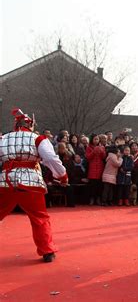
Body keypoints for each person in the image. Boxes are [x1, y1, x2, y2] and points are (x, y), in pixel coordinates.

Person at [0, 108, 68, 263]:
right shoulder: (38, 138)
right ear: (30, 125)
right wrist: (62, 176)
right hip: (31, 182)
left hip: (5, 181)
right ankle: (47, 251)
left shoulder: (3, 138)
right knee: (39, 217)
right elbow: (51, 158)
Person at [85, 134, 106, 205]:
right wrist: (94, 151)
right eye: (95, 139)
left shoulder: (102, 147)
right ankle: (92, 199)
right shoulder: (88, 147)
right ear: (92, 140)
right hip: (92, 168)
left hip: (100, 168)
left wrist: (101, 151)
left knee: (99, 185)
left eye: (97, 139)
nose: (96, 140)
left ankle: (98, 199)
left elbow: (103, 157)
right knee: (92, 185)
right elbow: (88, 157)